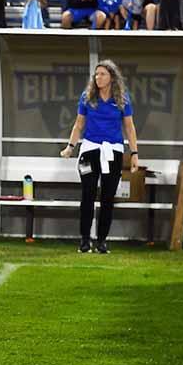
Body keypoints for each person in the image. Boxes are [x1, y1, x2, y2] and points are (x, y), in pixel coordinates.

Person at [60, 60, 140, 254]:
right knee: (87, 195)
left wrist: (135, 153)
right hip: (89, 150)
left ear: (111, 77)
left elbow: (129, 127)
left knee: (107, 198)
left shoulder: (122, 99)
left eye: (102, 74)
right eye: (96, 75)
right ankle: (84, 240)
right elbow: (79, 125)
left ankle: (102, 241)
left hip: (112, 152)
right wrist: (70, 147)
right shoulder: (87, 97)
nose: (98, 78)